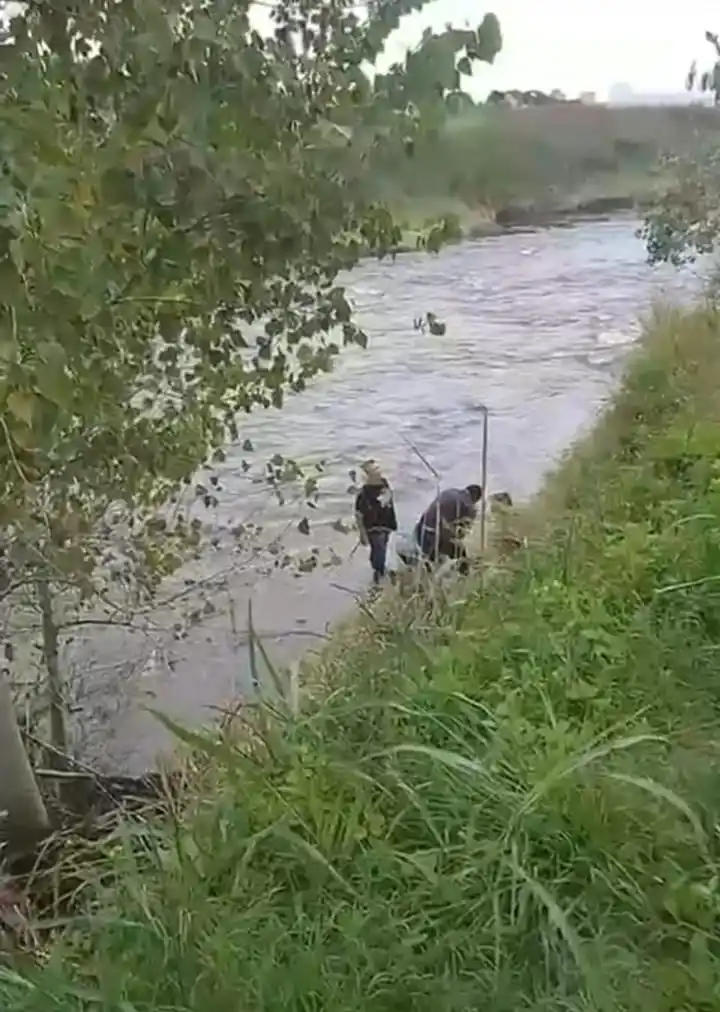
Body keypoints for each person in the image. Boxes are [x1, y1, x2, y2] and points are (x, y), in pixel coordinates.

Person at [414, 483, 483, 576]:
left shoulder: (449, 492)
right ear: (476, 498)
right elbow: (460, 535)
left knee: (433, 558)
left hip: (420, 531)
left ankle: (425, 574)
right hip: (434, 536)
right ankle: (465, 577)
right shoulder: (468, 505)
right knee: (461, 552)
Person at [354, 460, 398, 585]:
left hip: (386, 524)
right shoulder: (363, 494)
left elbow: (390, 503)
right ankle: (379, 572)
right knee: (379, 548)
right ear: (367, 477)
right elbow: (358, 515)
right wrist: (362, 533)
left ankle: (380, 569)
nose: (379, 472)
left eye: (378, 469)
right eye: (375, 471)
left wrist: (393, 522)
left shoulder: (385, 485)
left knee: (382, 547)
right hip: (373, 527)